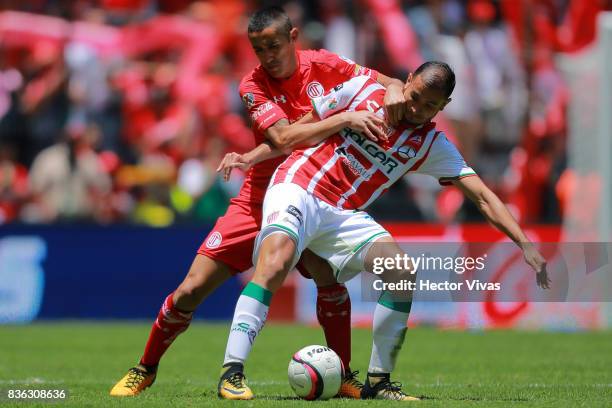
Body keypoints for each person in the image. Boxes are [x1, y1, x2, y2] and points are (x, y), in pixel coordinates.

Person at [110, 6, 406, 399]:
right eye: (259, 48)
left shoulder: (326, 64)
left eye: (274, 46)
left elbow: (390, 81)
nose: (267, 56)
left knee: (328, 279)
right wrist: (345, 119)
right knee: (190, 290)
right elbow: (283, 139)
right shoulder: (252, 85)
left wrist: (396, 90)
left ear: (293, 37)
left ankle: (344, 374)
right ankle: (144, 368)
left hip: (313, 195)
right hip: (259, 198)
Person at [217, 61, 550, 400]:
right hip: (298, 187)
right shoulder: (362, 90)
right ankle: (232, 372)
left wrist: (524, 244)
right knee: (275, 263)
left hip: (343, 214)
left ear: (443, 107)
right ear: (407, 81)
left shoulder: (430, 144)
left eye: (430, 106)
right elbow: (295, 133)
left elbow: (481, 196)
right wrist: (253, 156)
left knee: (401, 271)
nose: (418, 109)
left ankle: (379, 382)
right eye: (416, 96)